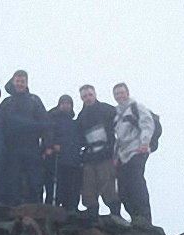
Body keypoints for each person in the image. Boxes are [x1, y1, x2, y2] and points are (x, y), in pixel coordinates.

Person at [0, 70, 50, 206]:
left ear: (26, 83)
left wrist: (47, 145)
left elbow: (45, 123)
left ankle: (37, 208)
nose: (20, 84)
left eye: (23, 81)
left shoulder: (34, 100)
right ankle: (13, 210)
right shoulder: (6, 102)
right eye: (18, 81)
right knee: (12, 180)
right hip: (11, 148)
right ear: (13, 82)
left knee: (35, 180)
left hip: (32, 147)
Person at [112, 82, 155, 226]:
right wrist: (116, 155)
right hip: (123, 155)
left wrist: (145, 143)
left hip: (137, 151)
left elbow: (147, 124)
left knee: (136, 185)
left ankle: (144, 218)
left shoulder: (137, 107)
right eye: (117, 94)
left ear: (127, 93)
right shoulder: (118, 115)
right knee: (123, 190)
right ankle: (134, 216)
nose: (119, 96)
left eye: (121, 92)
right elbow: (119, 138)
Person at [76, 84, 121, 217]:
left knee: (108, 185)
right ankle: (92, 212)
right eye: (85, 96)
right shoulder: (81, 117)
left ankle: (115, 213)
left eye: (90, 95)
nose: (88, 98)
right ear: (81, 98)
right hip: (90, 156)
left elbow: (124, 117)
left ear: (95, 94)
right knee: (88, 186)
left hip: (106, 154)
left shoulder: (106, 109)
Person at [44, 95, 82, 211]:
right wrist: (50, 146)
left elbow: (79, 140)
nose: (66, 106)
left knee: (70, 186)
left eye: (68, 103)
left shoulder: (75, 123)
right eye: (63, 103)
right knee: (54, 185)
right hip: (56, 159)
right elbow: (47, 134)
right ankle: (51, 208)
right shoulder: (51, 118)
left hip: (71, 160)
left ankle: (70, 209)